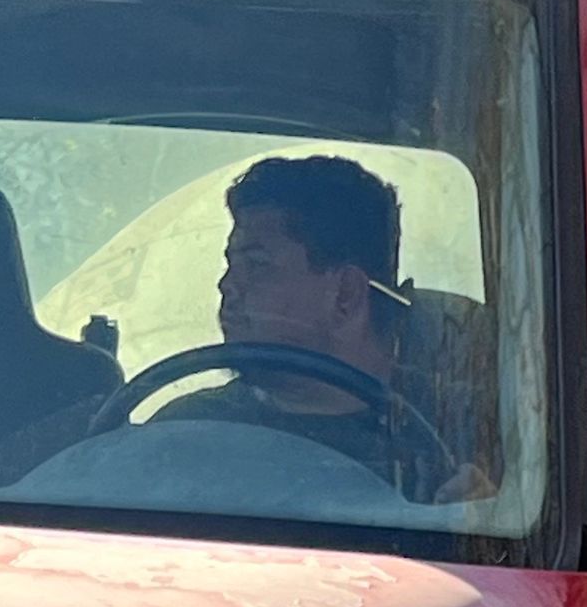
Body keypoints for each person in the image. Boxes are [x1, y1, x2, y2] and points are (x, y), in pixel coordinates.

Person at [160, 155, 407, 473]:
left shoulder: (453, 440)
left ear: (345, 295)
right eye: (232, 265)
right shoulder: (182, 433)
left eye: (258, 265)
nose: (227, 286)